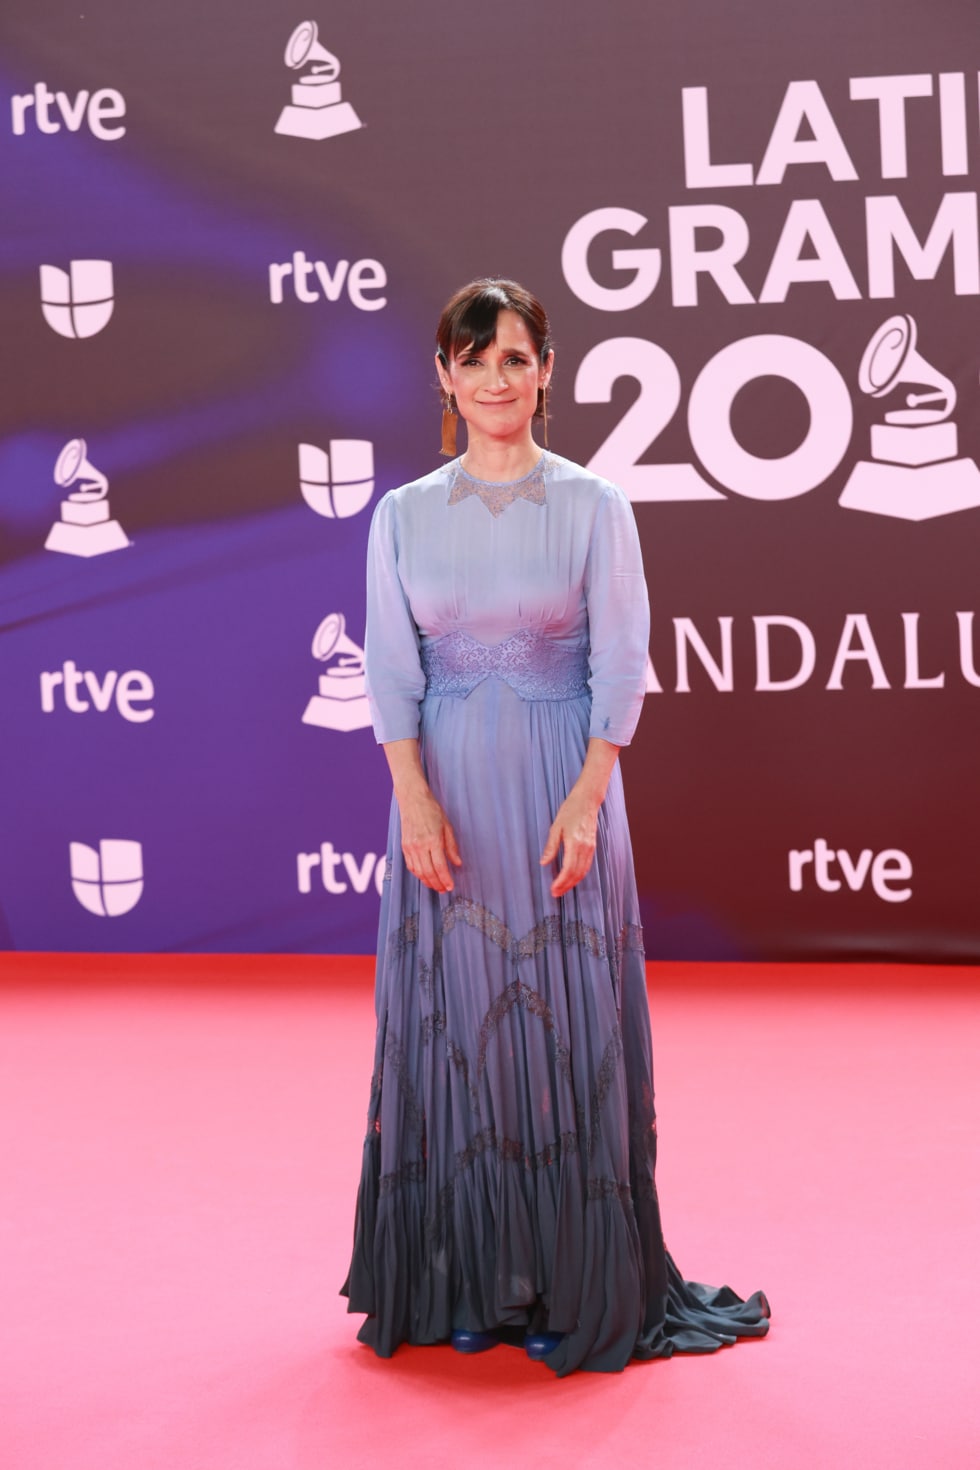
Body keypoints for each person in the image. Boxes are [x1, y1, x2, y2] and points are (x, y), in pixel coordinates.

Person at [341, 278, 769, 1375]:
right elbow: (390, 668)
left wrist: (585, 798)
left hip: (558, 795)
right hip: (442, 794)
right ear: (443, 374)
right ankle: (462, 1279)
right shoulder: (399, 513)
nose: (495, 377)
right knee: (455, 1035)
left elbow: (618, 666)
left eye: (515, 357)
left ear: (545, 372)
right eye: (473, 357)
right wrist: (411, 798)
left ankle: (563, 1279)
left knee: (558, 1034)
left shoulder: (594, 505)